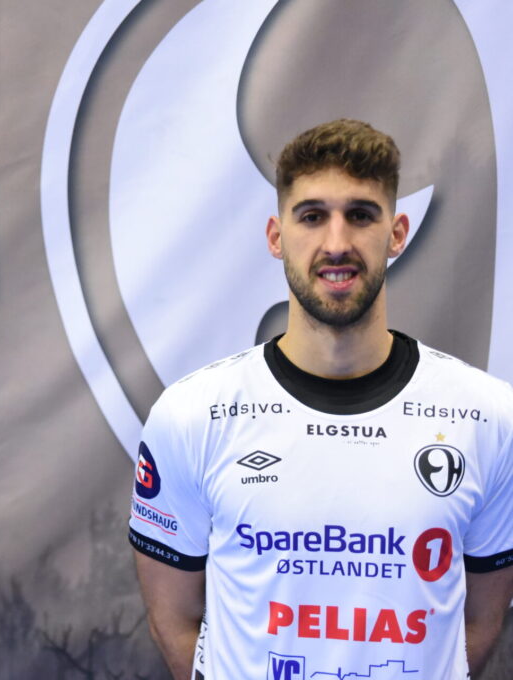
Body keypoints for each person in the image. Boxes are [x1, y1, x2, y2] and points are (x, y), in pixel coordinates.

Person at [128, 119, 513, 679]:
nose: (336, 244)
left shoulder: (489, 418)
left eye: (361, 215)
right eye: (312, 216)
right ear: (276, 236)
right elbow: (173, 620)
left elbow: (481, 620)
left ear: (397, 234)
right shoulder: (191, 415)